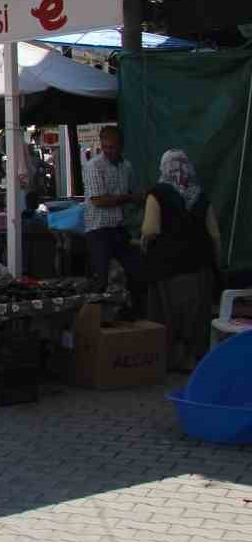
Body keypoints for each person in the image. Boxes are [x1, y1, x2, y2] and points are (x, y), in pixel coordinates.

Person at [142, 149, 222, 371]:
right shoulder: (200, 195)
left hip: (168, 267)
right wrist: (216, 261)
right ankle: (193, 359)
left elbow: (150, 230)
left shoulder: (157, 194)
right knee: (197, 315)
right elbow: (214, 235)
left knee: (168, 315)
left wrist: (143, 245)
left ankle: (168, 360)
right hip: (199, 266)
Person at [84, 125, 143, 295]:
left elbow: (134, 193)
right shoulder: (94, 166)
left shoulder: (127, 167)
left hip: (119, 228)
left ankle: (127, 316)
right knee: (101, 278)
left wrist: (137, 198)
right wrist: (128, 198)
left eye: (112, 147)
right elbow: (98, 200)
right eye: (105, 147)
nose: (108, 151)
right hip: (98, 231)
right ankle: (95, 317)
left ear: (121, 146)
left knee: (133, 273)